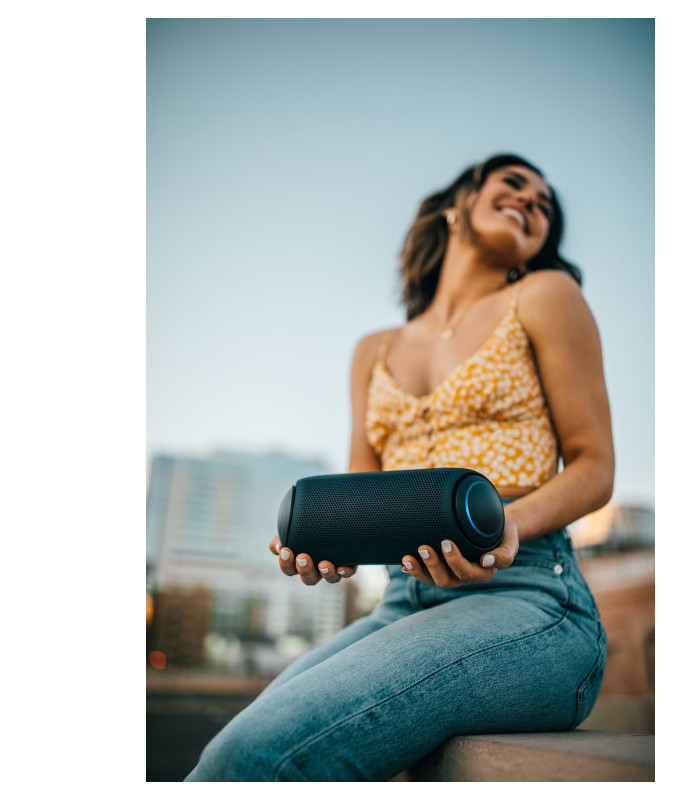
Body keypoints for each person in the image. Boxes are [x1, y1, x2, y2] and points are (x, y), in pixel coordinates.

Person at [185, 154, 615, 782]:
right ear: (456, 205)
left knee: (255, 759)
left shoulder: (546, 295)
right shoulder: (373, 350)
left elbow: (595, 465)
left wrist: (510, 523)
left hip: (531, 597)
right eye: (514, 183)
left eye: (546, 204)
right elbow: (362, 491)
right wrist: (326, 543)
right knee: (221, 758)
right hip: (401, 600)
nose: (532, 200)